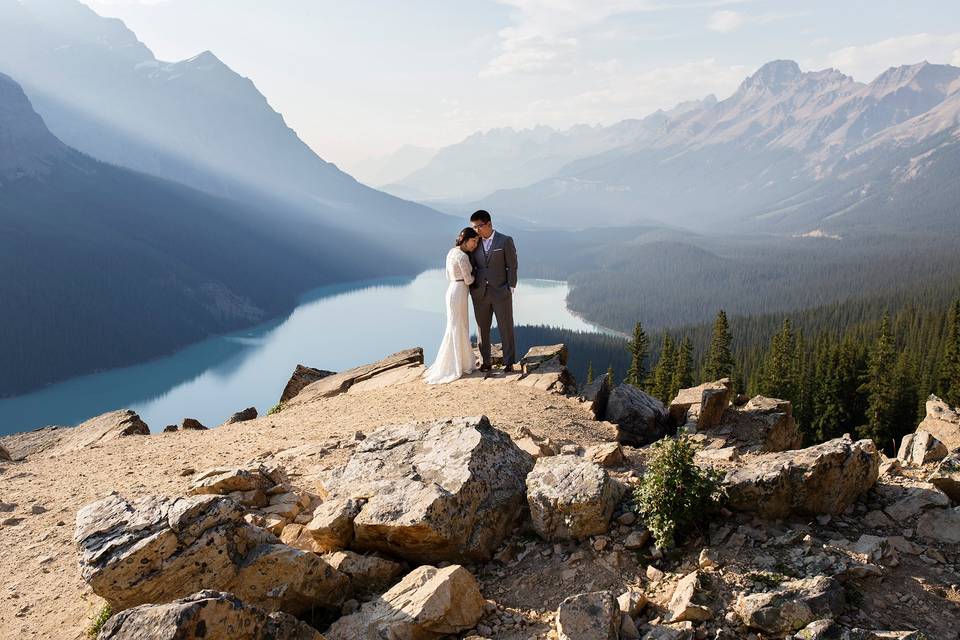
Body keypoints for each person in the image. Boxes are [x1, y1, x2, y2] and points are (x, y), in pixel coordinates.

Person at [423, 227, 480, 384]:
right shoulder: (463, 257)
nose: (475, 244)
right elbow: (469, 280)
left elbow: (448, 275)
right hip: (461, 290)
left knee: (454, 325)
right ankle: (459, 364)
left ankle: (455, 362)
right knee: (460, 325)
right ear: (465, 239)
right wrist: (478, 274)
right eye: (473, 241)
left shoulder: (451, 252)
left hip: (452, 289)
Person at [468, 210, 518, 372]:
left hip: (501, 291)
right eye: (474, 227)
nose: (476, 230)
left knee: (506, 327)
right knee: (482, 329)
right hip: (480, 293)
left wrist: (510, 287)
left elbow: (512, 265)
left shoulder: (505, 241)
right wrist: (472, 287)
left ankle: (509, 362)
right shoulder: (474, 243)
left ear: (489, 224)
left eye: (479, 226)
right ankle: (485, 362)